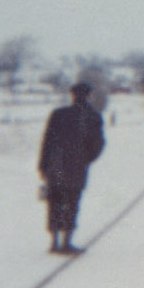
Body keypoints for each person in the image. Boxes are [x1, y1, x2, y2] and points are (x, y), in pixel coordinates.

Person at [37, 82, 106, 254]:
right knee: (72, 204)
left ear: (72, 95)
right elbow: (98, 145)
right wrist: (86, 159)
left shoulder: (58, 114)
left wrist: (43, 166)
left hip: (55, 167)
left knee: (54, 203)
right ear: (90, 96)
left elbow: (47, 141)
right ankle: (66, 242)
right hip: (77, 168)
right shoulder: (94, 117)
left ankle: (54, 242)